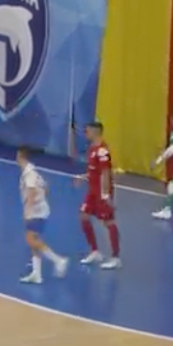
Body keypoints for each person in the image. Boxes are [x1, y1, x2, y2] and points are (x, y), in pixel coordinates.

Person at [17, 147, 68, 284]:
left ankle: (58, 260)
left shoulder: (29, 174)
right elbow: (46, 188)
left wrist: (28, 210)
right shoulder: (34, 172)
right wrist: (42, 199)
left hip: (36, 212)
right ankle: (37, 274)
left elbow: (32, 192)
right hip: (40, 209)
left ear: (20, 156)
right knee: (33, 240)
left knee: (31, 239)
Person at [76, 121, 121, 269]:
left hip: (102, 192)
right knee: (84, 216)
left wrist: (106, 195)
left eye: (87, 131)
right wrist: (83, 176)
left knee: (108, 222)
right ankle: (95, 251)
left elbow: (106, 173)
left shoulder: (102, 151)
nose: (86, 133)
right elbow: (94, 170)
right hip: (92, 191)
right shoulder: (92, 148)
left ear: (95, 132)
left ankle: (116, 258)